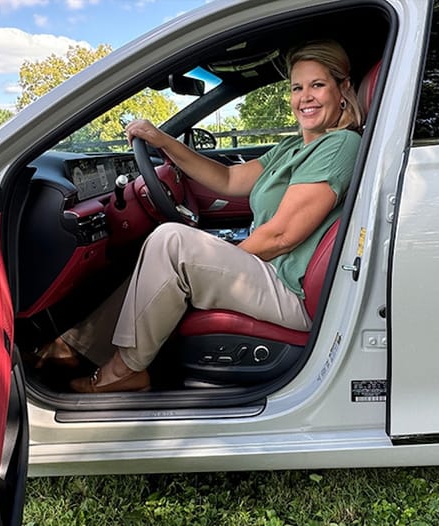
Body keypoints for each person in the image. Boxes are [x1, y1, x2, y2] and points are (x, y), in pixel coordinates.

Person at [39, 39, 364, 392]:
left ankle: (125, 371)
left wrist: (215, 262)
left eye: (317, 85)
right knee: (156, 253)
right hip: (273, 271)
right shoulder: (296, 146)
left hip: (289, 289)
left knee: (172, 242)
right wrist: (164, 142)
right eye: (297, 87)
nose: (305, 97)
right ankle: (74, 349)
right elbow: (228, 178)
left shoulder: (339, 145)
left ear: (342, 88)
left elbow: (281, 235)